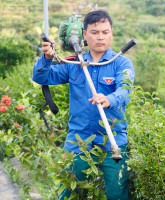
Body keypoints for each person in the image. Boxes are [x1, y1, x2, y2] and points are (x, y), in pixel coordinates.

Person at [32, 10, 134, 200]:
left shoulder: (121, 63)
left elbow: (125, 90)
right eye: (95, 32)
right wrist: (46, 58)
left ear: (112, 33)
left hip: (113, 142)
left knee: (117, 195)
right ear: (84, 35)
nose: (101, 37)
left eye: (105, 32)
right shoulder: (73, 64)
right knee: (71, 194)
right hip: (78, 143)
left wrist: (109, 99)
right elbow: (40, 77)